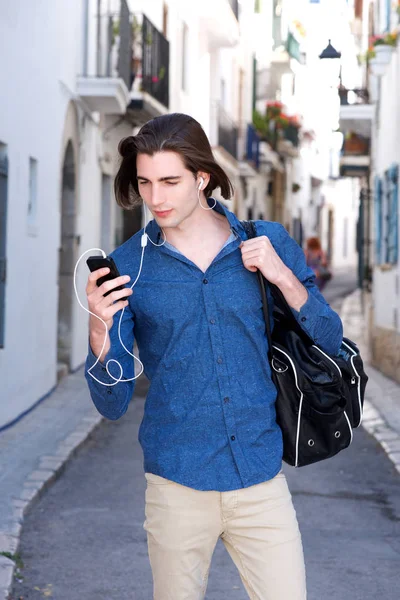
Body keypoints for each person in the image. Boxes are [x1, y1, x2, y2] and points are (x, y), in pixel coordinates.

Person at [84, 113, 343, 600]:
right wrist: (99, 326)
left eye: (169, 181)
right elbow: (111, 403)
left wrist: (282, 277)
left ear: (202, 179)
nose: (155, 198)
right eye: (145, 182)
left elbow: (329, 337)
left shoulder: (263, 241)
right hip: (176, 484)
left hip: (259, 478)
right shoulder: (127, 266)